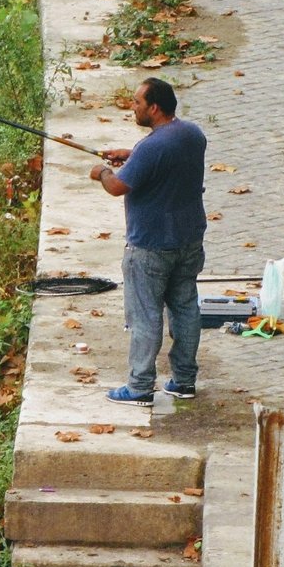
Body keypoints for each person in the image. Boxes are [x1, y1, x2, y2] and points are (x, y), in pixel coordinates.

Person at [88, 77, 207, 405]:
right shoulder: (192, 134)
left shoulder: (151, 148)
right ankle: (184, 381)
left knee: (145, 316)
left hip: (151, 246)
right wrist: (131, 155)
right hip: (189, 240)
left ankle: (140, 386)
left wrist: (102, 172)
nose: (133, 107)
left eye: (137, 102)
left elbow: (117, 187)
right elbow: (165, 160)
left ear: (154, 108)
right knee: (185, 309)